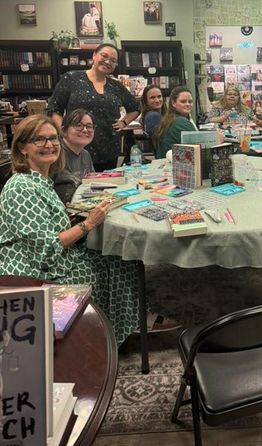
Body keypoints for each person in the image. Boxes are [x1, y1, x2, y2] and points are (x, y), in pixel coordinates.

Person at [0, 115, 179, 346]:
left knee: (116, 253)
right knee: (113, 257)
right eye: (39, 140)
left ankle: (123, 323)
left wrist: (77, 218)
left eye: (53, 138)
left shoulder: (38, 181)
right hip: (34, 272)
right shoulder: (21, 187)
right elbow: (45, 247)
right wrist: (88, 223)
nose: (49, 145)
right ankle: (121, 327)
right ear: (23, 148)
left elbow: (44, 229)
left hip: (46, 260)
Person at [47, 43, 140, 171]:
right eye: (104, 56)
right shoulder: (71, 78)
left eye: (113, 60)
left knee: (106, 186)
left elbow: (135, 108)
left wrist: (123, 122)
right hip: (76, 146)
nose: (108, 62)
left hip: (108, 147)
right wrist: (63, 132)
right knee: (77, 185)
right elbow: (54, 108)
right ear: (94, 55)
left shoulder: (116, 86)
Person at [53, 108, 95, 203]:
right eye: (78, 125)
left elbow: (92, 185)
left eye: (89, 126)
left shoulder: (85, 154)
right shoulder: (54, 155)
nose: (85, 130)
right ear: (64, 131)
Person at [154, 86, 197, 158]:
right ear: (173, 103)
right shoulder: (181, 122)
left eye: (190, 101)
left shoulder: (169, 119)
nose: (188, 104)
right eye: (183, 101)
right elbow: (198, 149)